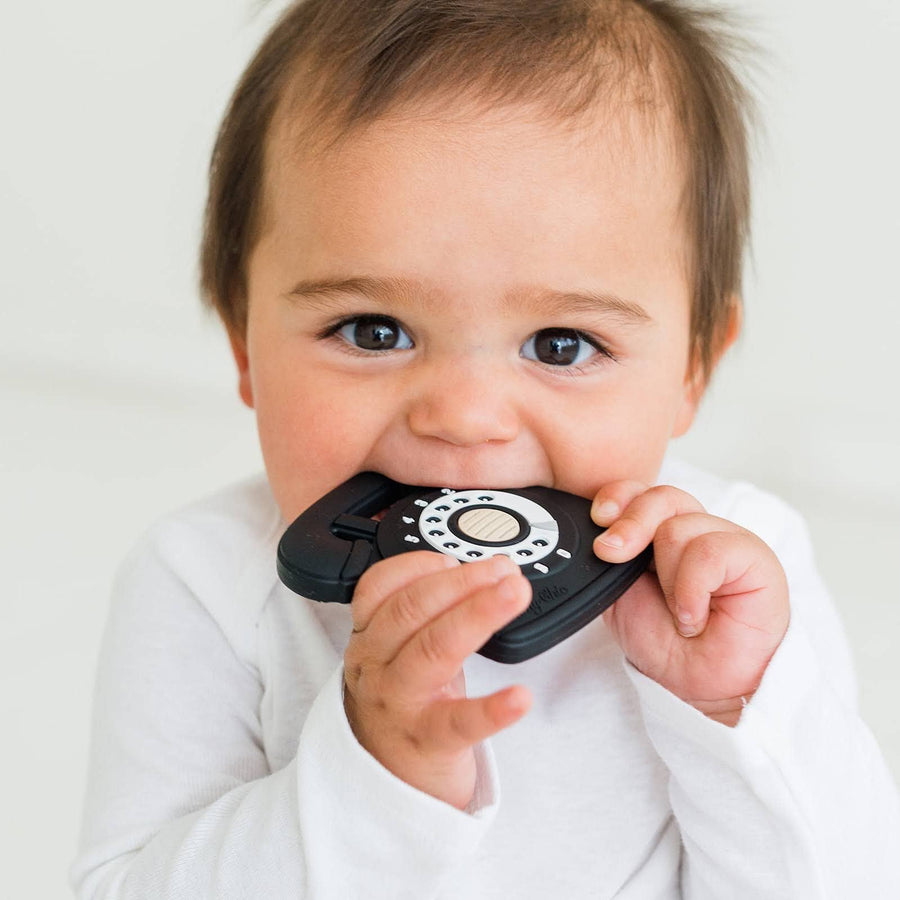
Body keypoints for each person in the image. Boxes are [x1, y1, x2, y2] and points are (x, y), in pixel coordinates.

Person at [71, 1, 900, 897]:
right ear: (244, 343)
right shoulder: (205, 584)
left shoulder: (733, 580)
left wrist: (736, 711)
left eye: (561, 345)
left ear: (693, 367)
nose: (465, 418)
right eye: (373, 329)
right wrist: (373, 779)